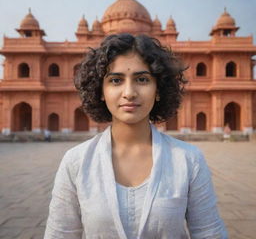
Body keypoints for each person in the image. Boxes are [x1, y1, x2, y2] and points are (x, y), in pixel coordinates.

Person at [44, 33, 227, 238]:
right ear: (101, 91)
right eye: (115, 80)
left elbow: (209, 233)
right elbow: (60, 234)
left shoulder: (188, 160)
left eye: (142, 79)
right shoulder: (76, 161)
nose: (129, 92)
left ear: (158, 89)